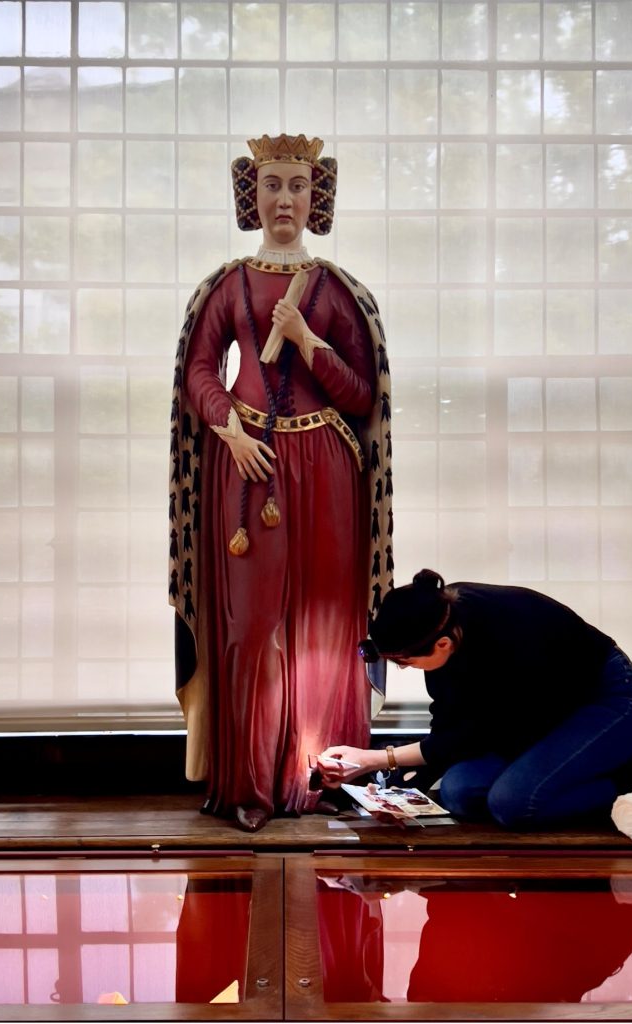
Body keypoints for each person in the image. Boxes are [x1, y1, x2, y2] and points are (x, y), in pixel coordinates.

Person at [168, 134, 392, 832]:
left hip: (324, 466)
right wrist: (228, 431)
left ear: (315, 195)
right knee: (252, 624)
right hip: (245, 469)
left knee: (322, 623)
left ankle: (317, 772)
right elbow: (199, 370)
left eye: (296, 185)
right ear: (251, 193)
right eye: (271, 184)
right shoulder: (228, 284)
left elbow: (361, 395)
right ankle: (250, 785)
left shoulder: (335, 289)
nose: (284, 198)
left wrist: (305, 340)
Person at [320, 569, 632, 829]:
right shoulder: (439, 619)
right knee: (458, 793)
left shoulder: (509, 640)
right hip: (538, 716)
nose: (407, 670)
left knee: (513, 804)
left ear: (442, 645)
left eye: (407, 663)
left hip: (607, 700)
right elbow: (449, 724)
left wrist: (374, 759)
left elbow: (473, 736)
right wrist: (392, 786)